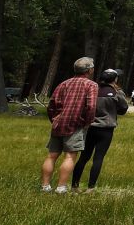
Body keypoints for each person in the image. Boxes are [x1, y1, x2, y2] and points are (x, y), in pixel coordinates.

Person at [40, 57, 98, 194]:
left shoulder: (63, 84)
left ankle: (45, 186)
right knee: (70, 156)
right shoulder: (91, 85)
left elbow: (51, 105)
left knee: (51, 156)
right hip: (76, 124)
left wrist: (54, 119)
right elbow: (91, 106)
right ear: (89, 70)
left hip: (58, 123)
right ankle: (61, 187)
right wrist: (87, 122)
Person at [71, 68, 128, 191]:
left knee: (84, 157)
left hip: (90, 128)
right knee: (98, 158)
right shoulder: (116, 92)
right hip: (106, 129)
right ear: (115, 79)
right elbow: (123, 109)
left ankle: (74, 186)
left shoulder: (93, 89)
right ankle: (91, 188)